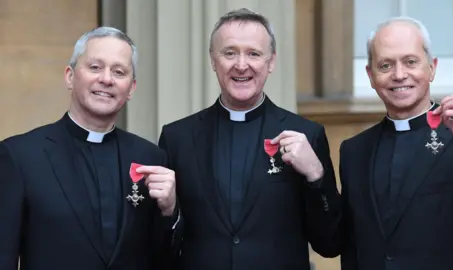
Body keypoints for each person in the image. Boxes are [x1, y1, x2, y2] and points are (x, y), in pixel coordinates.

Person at [155, 8, 341, 270]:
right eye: (229, 53)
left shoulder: (307, 135)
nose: (241, 65)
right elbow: (159, 246)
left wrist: (316, 177)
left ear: (271, 61)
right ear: (213, 60)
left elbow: (330, 243)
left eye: (254, 53)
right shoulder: (177, 138)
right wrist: (168, 212)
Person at [0, 27, 181, 270]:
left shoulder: (151, 158)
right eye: (95, 67)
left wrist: (170, 211)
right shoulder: (20, 156)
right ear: (70, 76)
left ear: (131, 88)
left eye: (119, 71)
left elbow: (164, 260)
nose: (106, 79)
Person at [336, 16, 453, 270]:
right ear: (370, 75)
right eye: (385, 65)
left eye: (410, 62)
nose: (399, 75)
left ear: (432, 67)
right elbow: (351, 247)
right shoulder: (354, 151)